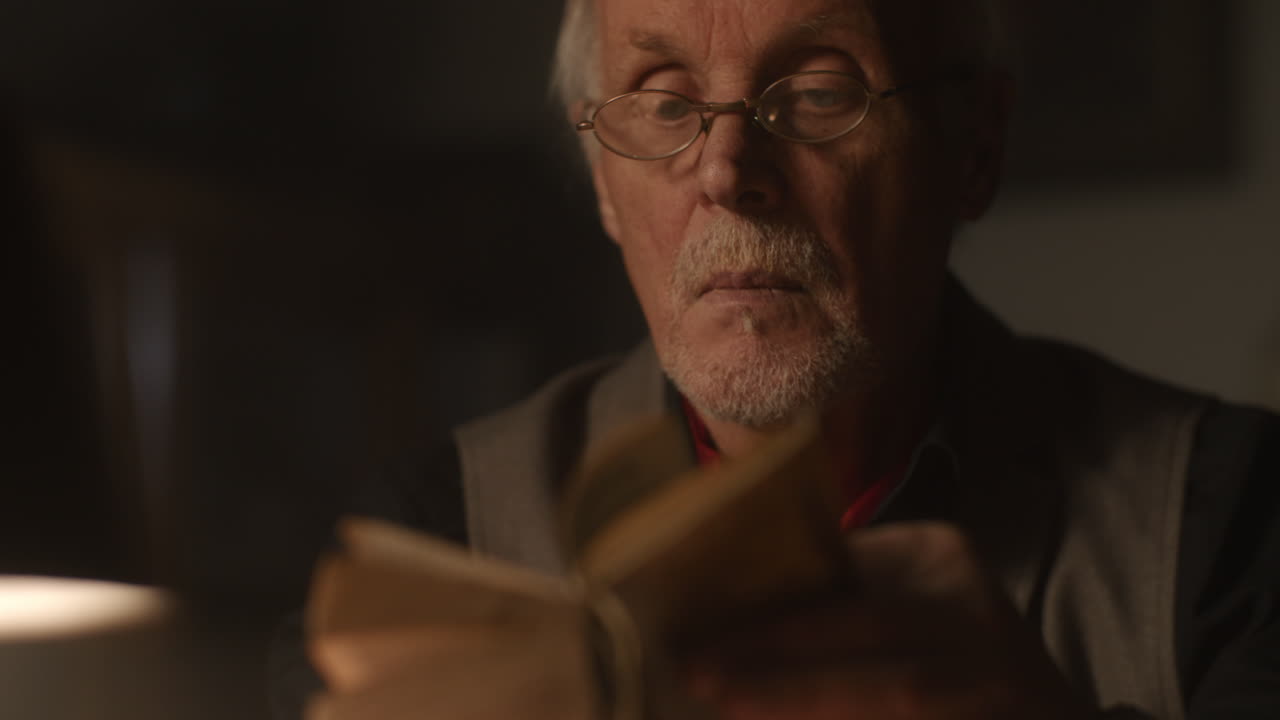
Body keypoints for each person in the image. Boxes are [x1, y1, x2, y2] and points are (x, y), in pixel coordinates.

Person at [270, 0, 1280, 718]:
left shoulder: (1227, 520)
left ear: (972, 142)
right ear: (602, 188)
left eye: (816, 91)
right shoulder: (432, 539)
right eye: (664, 101)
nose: (725, 170)